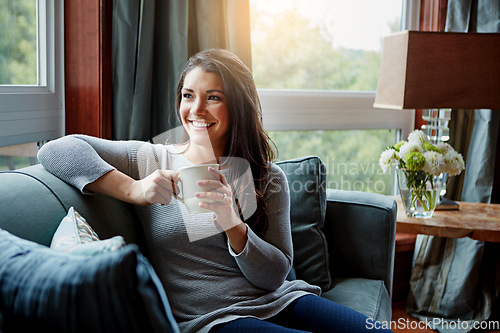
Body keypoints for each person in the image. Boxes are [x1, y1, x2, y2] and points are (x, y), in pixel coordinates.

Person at [38, 49, 393, 333]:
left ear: (237, 105)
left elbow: (274, 277)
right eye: (188, 95)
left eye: (213, 97)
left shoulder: (265, 177)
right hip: (214, 319)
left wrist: (231, 223)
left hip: (281, 300)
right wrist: (135, 189)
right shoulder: (152, 158)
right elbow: (56, 150)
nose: (196, 110)